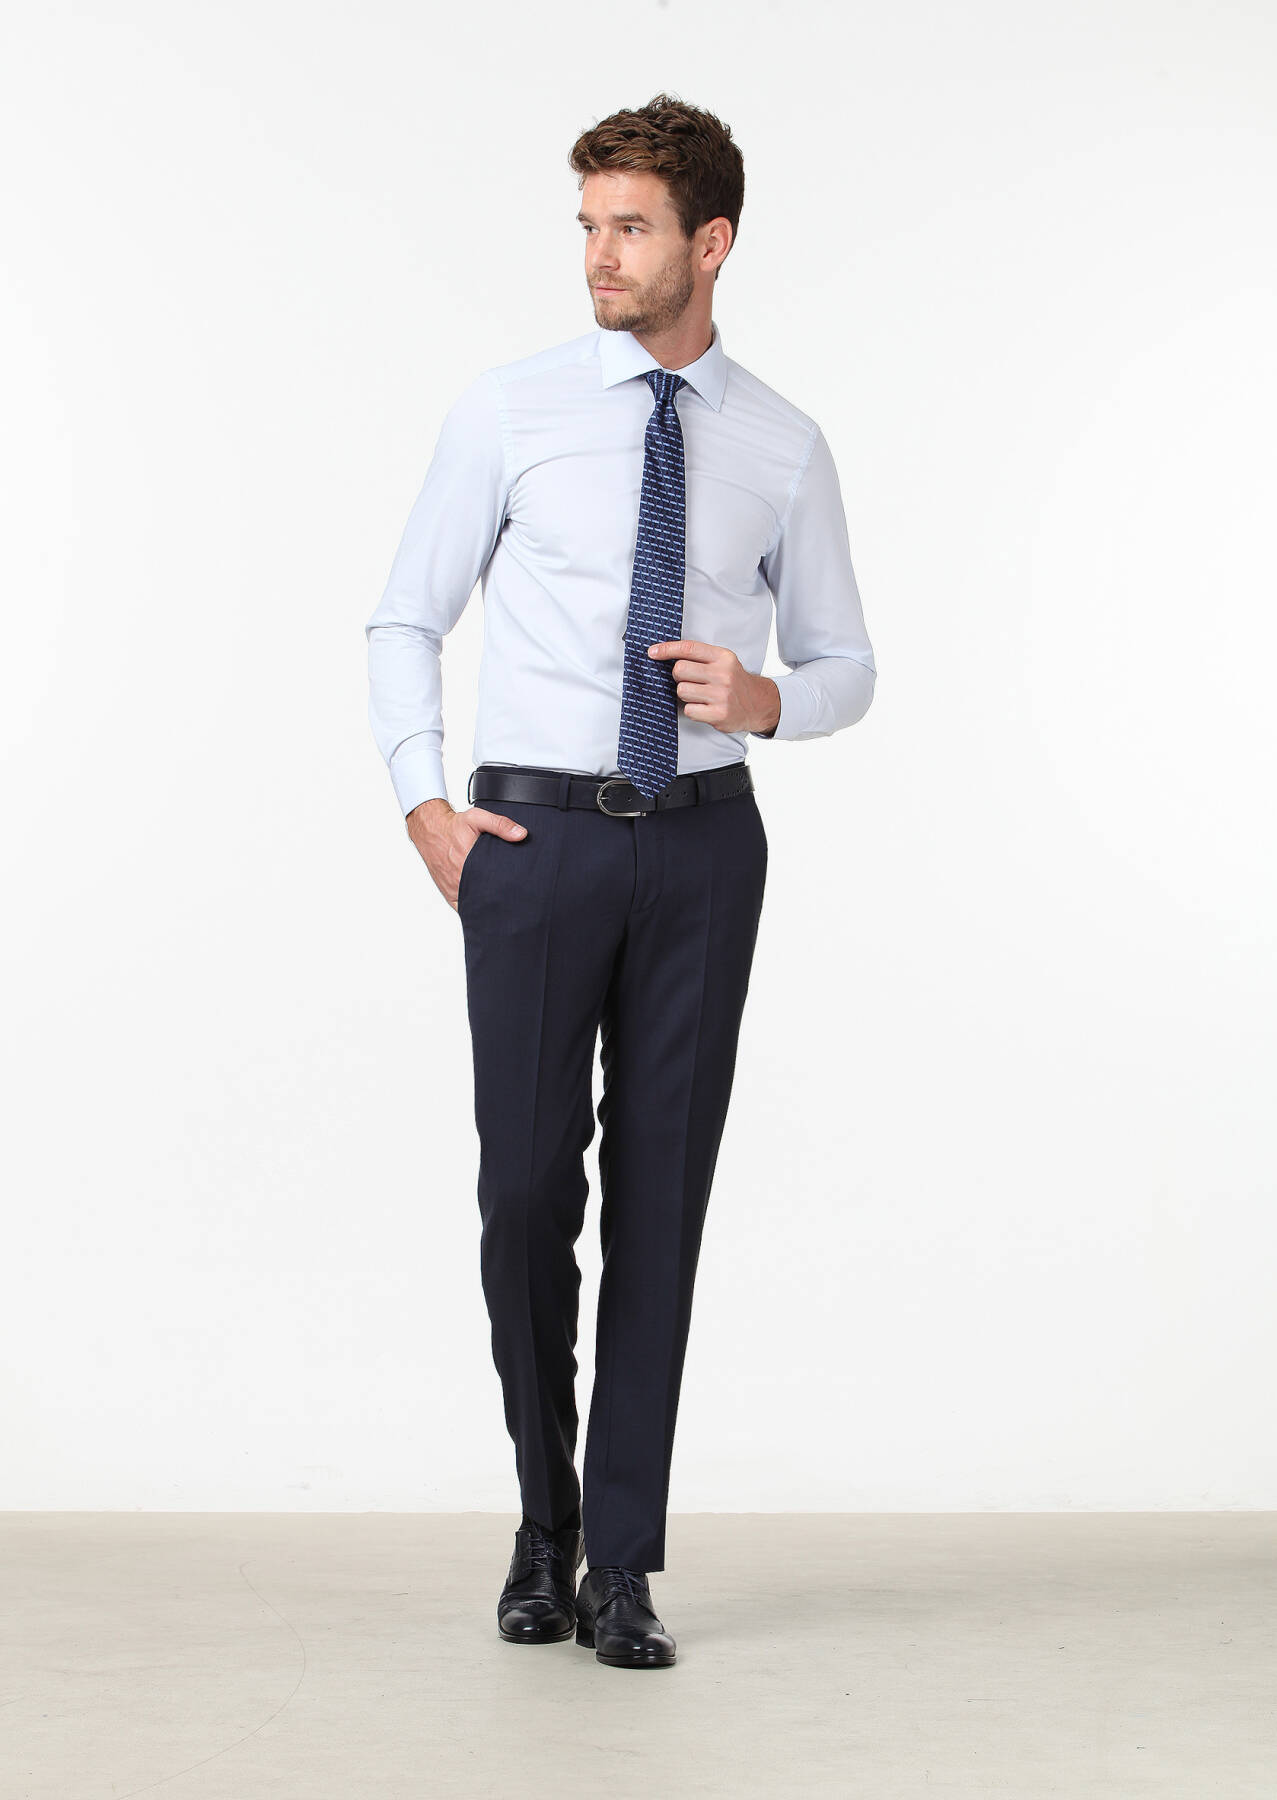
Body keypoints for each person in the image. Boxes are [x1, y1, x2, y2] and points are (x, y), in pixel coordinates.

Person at [365, 92, 876, 1671]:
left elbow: (846, 661)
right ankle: (545, 1520)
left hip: (703, 847)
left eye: (631, 226)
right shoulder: (510, 410)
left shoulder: (781, 442)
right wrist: (425, 806)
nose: (599, 253)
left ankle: (623, 1565)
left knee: (662, 1202)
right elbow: (404, 615)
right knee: (527, 1190)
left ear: (708, 243)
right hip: (532, 846)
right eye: (588, 224)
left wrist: (769, 697)